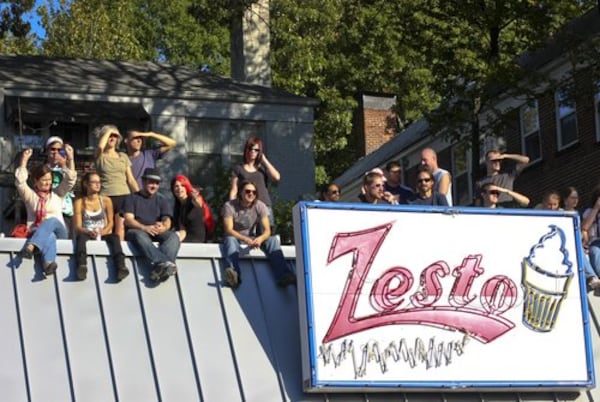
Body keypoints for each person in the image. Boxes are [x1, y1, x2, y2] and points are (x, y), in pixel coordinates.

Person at [221, 180, 296, 289]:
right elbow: (228, 229)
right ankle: (234, 275)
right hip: (236, 237)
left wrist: (260, 239)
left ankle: (283, 275)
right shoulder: (229, 206)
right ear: (240, 192)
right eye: (247, 191)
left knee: (272, 240)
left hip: (253, 237)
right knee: (230, 240)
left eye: (254, 192)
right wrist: (245, 239)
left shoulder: (260, 205)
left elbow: (267, 231)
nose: (251, 194)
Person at [16, 148, 76, 276]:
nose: (47, 182)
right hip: (37, 232)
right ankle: (48, 263)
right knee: (50, 236)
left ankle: (31, 246)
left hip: (60, 231)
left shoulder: (57, 193)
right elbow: (20, 182)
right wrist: (24, 161)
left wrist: (70, 159)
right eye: (43, 180)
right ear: (36, 181)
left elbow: (70, 180)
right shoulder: (30, 196)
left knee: (52, 220)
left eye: (49, 179)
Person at [123, 168, 180, 283]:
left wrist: (164, 227)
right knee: (139, 234)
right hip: (137, 231)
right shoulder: (132, 198)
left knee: (173, 236)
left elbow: (167, 220)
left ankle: (160, 268)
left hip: (156, 231)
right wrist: (144, 228)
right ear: (143, 182)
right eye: (151, 182)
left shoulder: (161, 199)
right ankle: (165, 262)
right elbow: (128, 220)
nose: (154, 186)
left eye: (156, 183)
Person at [73, 172, 129, 281]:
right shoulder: (79, 202)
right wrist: (88, 232)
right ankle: (81, 265)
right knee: (80, 238)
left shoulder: (106, 200)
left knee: (115, 238)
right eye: (94, 182)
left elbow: (111, 223)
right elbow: (77, 226)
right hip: (87, 232)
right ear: (86, 184)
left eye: (99, 182)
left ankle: (121, 266)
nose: (97, 185)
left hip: (103, 233)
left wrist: (103, 232)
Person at [94, 124, 139, 241]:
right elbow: (100, 147)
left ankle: (120, 254)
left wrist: (139, 196)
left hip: (123, 195)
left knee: (120, 229)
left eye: (115, 136)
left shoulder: (123, 156)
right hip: (105, 196)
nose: (112, 138)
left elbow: (131, 179)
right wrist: (109, 131)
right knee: (107, 228)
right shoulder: (100, 156)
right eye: (109, 136)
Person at [229, 136, 280, 227]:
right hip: (246, 207)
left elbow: (276, 177)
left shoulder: (262, 168)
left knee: (268, 235)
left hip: (264, 206)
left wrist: (264, 160)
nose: (253, 151)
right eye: (250, 148)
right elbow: (234, 190)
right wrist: (231, 208)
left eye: (256, 150)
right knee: (248, 236)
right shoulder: (239, 169)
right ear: (246, 150)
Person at [45, 136, 76, 237]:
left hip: (64, 209)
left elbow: (71, 180)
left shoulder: (64, 168)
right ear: (47, 151)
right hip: (47, 208)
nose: (55, 152)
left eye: (59, 150)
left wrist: (66, 163)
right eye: (52, 149)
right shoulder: (43, 169)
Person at [171, 174, 214, 242]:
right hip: (184, 239)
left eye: (182, 185)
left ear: (187, 187)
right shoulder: (178, 206)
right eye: (176, 186)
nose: (179, 188)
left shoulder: (193, 200)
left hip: (197, 240)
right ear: (173, 189)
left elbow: (198, 202)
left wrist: (196, 197)